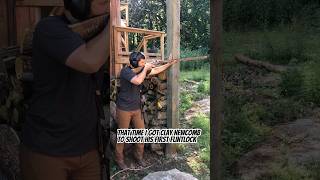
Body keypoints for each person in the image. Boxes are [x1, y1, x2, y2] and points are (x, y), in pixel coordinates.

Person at [20, 0, 109, 180]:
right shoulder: (48, 28)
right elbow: (89, 61)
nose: (109, 4)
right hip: (47, 149)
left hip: (88, 147)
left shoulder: (98, 30)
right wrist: (115, 24)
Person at [115, 52, 177, 169]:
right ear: (134, 62)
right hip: (124, 109)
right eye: (142, 62)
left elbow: (156, 70)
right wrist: (146, 68)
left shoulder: (140, 69)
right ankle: (119, 159)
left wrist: (169, 64)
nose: (144, 64)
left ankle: (138, 157)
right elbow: (138, 81)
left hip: (137, 108)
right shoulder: (125, 72)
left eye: (144, 62)